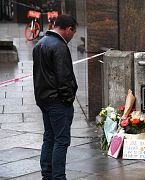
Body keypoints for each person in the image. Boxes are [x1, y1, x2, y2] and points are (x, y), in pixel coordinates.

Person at [33, 14, 78, 180]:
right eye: (73, 33)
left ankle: (47, 175)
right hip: (58, 102)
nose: (72, 37)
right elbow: (64, 77)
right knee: (61, 140)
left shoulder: (40, 43)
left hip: (44, 99)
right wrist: (68, 99)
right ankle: (58, 177)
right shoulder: (59, 46)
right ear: (68, 29)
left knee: (49, 138)